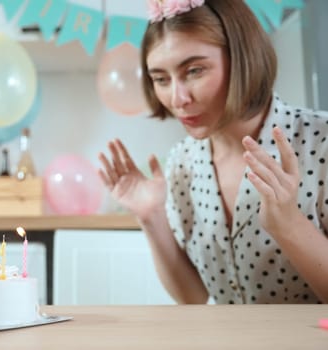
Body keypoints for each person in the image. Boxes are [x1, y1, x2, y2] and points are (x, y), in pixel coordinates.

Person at [98, 0, 328, 304]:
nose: (178, 98)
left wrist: (289, 224)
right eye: (161, 79)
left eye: (194, 71)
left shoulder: (319, 141)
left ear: (242, 59)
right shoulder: (182, 163)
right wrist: (151, 216)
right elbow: (193, 297)